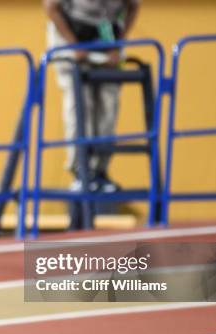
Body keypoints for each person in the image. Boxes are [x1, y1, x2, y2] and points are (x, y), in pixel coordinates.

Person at [43, 0, 140, 191]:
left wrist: (118, 43)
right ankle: (80, 170)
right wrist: (74, 46)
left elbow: (134, 6)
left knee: (108, 106)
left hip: (106, 36)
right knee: (80, 105)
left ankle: (100, 171)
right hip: (71, 36)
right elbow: (50, 8)